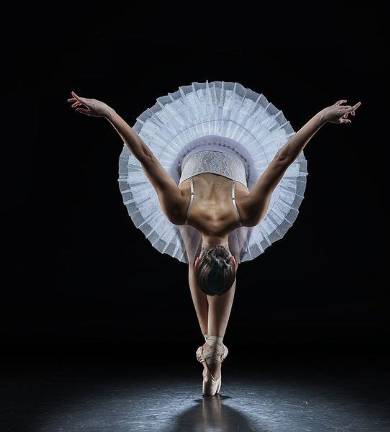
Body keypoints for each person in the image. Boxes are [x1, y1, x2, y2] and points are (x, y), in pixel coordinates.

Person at [68, 81, 361, 396]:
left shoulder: (248, 212)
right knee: (194, 246)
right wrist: (108, 113)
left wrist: (323, 117)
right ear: (227, 260)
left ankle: (212, 349)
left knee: (195, 249)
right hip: (213, 160)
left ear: (228, 260)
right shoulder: (179, 209)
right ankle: (214, 347)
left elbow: (283, 157)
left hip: (207, 148)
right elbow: (146, 156)